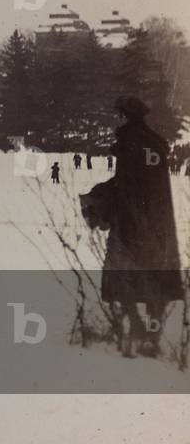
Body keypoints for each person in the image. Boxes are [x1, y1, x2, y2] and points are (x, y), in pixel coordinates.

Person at [101, 96, 181, 355]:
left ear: (125, 116)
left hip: (133, 223)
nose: (117, 119)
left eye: (119, 114)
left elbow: (126, 185)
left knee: (123, 276)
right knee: (154, 278)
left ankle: (138, 328)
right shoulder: (153, 143)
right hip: (158, 225)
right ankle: (151, 335)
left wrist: (99, 197)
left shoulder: (132, 143)